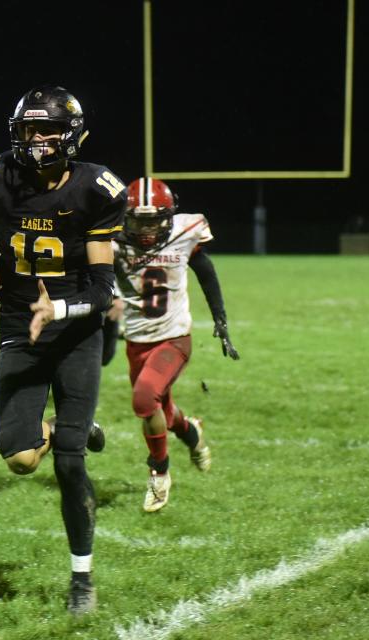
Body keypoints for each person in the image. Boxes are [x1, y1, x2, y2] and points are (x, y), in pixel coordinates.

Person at [0, 85, 124, 615]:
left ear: (71, 135)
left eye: (49, 129)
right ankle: (68, 426)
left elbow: (102, 290)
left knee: (69, 464)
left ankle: (81, 579)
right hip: (17, 327)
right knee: (23, 460)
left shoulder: (96, 188)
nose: (39, 139)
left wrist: (60, 310)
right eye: (30, 129)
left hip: (75, 332)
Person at [113, 177, 239, 513]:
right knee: (162, 412)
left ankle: (159, 472)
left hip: (174, 338)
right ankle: (190, 432)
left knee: (143, 399)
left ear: (168, 218)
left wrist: (220, 320)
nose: (146, 229)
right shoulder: (110, 240)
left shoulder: (186, 233)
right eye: (138, 220)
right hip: (136, 340)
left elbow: (205, 269)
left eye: (153, 220)